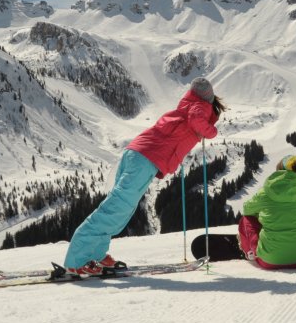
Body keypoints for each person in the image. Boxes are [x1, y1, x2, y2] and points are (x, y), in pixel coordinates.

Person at [64, 77, 224, 276]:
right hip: (146, 158)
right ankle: (76, 260)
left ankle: (96, 254)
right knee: (115, 209)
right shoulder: (200, 107)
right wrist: (212, 131)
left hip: (138, 153)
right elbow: (197, 120)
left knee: (119, 209)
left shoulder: (187, 104)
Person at [237, 154, 296, 269]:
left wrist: (262, 214)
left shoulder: (265, 193)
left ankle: (251, 251)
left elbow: (247, 210)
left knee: (246, 218)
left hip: (269, 261)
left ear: (279, 171)